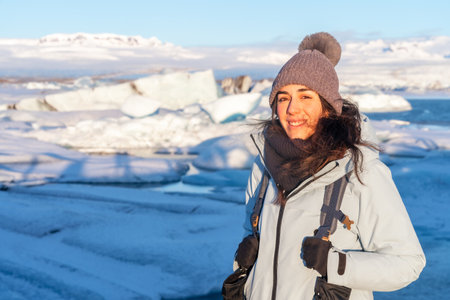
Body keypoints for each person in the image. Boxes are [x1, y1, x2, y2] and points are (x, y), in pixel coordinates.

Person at [235, 32, 426, 299]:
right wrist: (244, 257)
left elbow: (408, 262)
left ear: (327, 106)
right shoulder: (263, 166)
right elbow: (255, 236)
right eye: (283, 97)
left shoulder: (360, 171)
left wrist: (338, 264)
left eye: (305, 97)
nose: (291, 109)